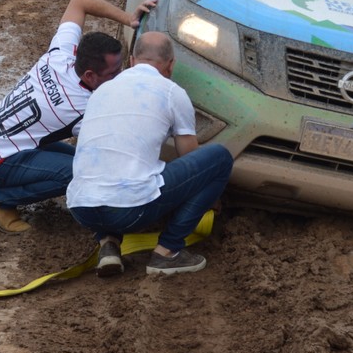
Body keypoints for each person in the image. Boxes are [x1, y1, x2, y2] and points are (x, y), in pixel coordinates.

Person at [0, 0, 156, 232]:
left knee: (72, 157)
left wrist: (129, 19)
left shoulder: (60, 54)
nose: (121, 75)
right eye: (114, 73)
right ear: (89, 76)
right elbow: (115, 153)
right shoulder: (83, 107)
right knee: (82, 173)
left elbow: (80, 0)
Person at [66, 31, 233, 277]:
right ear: (171, 65)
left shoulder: (101, 91)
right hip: (131, 212)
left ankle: (108, 244)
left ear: (132, 60)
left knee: (112, 166)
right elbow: (189, 157)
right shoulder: (171, 92)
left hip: (81, 208)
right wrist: (212, 198)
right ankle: (168, 251)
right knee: (219, 159)